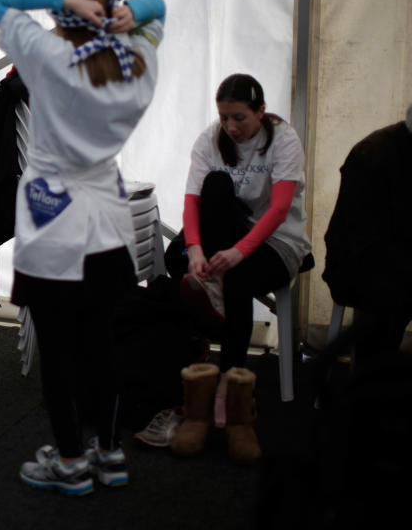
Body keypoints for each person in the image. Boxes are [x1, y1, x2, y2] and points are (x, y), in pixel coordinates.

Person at [0, 0, 165, 496]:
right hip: (109, 227)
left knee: (59, 355)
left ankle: (68, 460)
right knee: (102, 349)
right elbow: (158, 9)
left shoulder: (44, 54)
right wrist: (130, 12)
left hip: (52, 230)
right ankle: (109, 455)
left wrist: (62, 1)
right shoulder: (139, 57)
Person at [169, 73, 312, 465]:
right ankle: (195, 371)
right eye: (224, 117)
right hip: (225, 233)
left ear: (261, 112)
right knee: (177, 256)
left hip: (276, 241)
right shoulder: (211, 138)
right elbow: (192, 200)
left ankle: (229, 389)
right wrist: (196, 249)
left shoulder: (283, 140)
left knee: (238, 281)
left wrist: (239, 253)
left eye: (240, 118)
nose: (231, 127)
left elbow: (280, 208)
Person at [323, 103, 412, 369]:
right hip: (364, 267)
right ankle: (370, 393)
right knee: (387, 306)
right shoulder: (374, 155)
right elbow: (362, 242)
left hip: (396, 260)